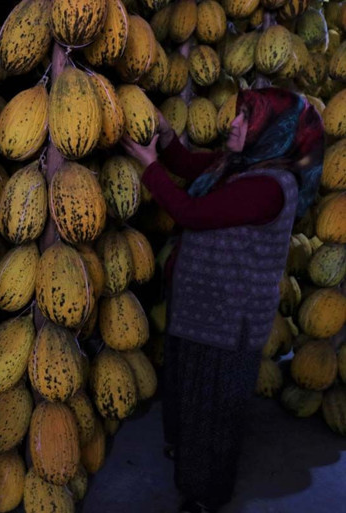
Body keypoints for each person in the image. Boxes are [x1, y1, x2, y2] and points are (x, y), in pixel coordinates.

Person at [122, 88, 324, 513]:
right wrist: (164, 136)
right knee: (190, 394)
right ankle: (189, 459)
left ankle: (205, 495)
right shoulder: (240, 164)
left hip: (227, 322)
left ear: (273, 133)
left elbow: (192, 214)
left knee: (214, 411)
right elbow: (188, 164)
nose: (231, 122)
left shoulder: (271, 186)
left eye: (245, 119)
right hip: (201, 311)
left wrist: (148, 165)